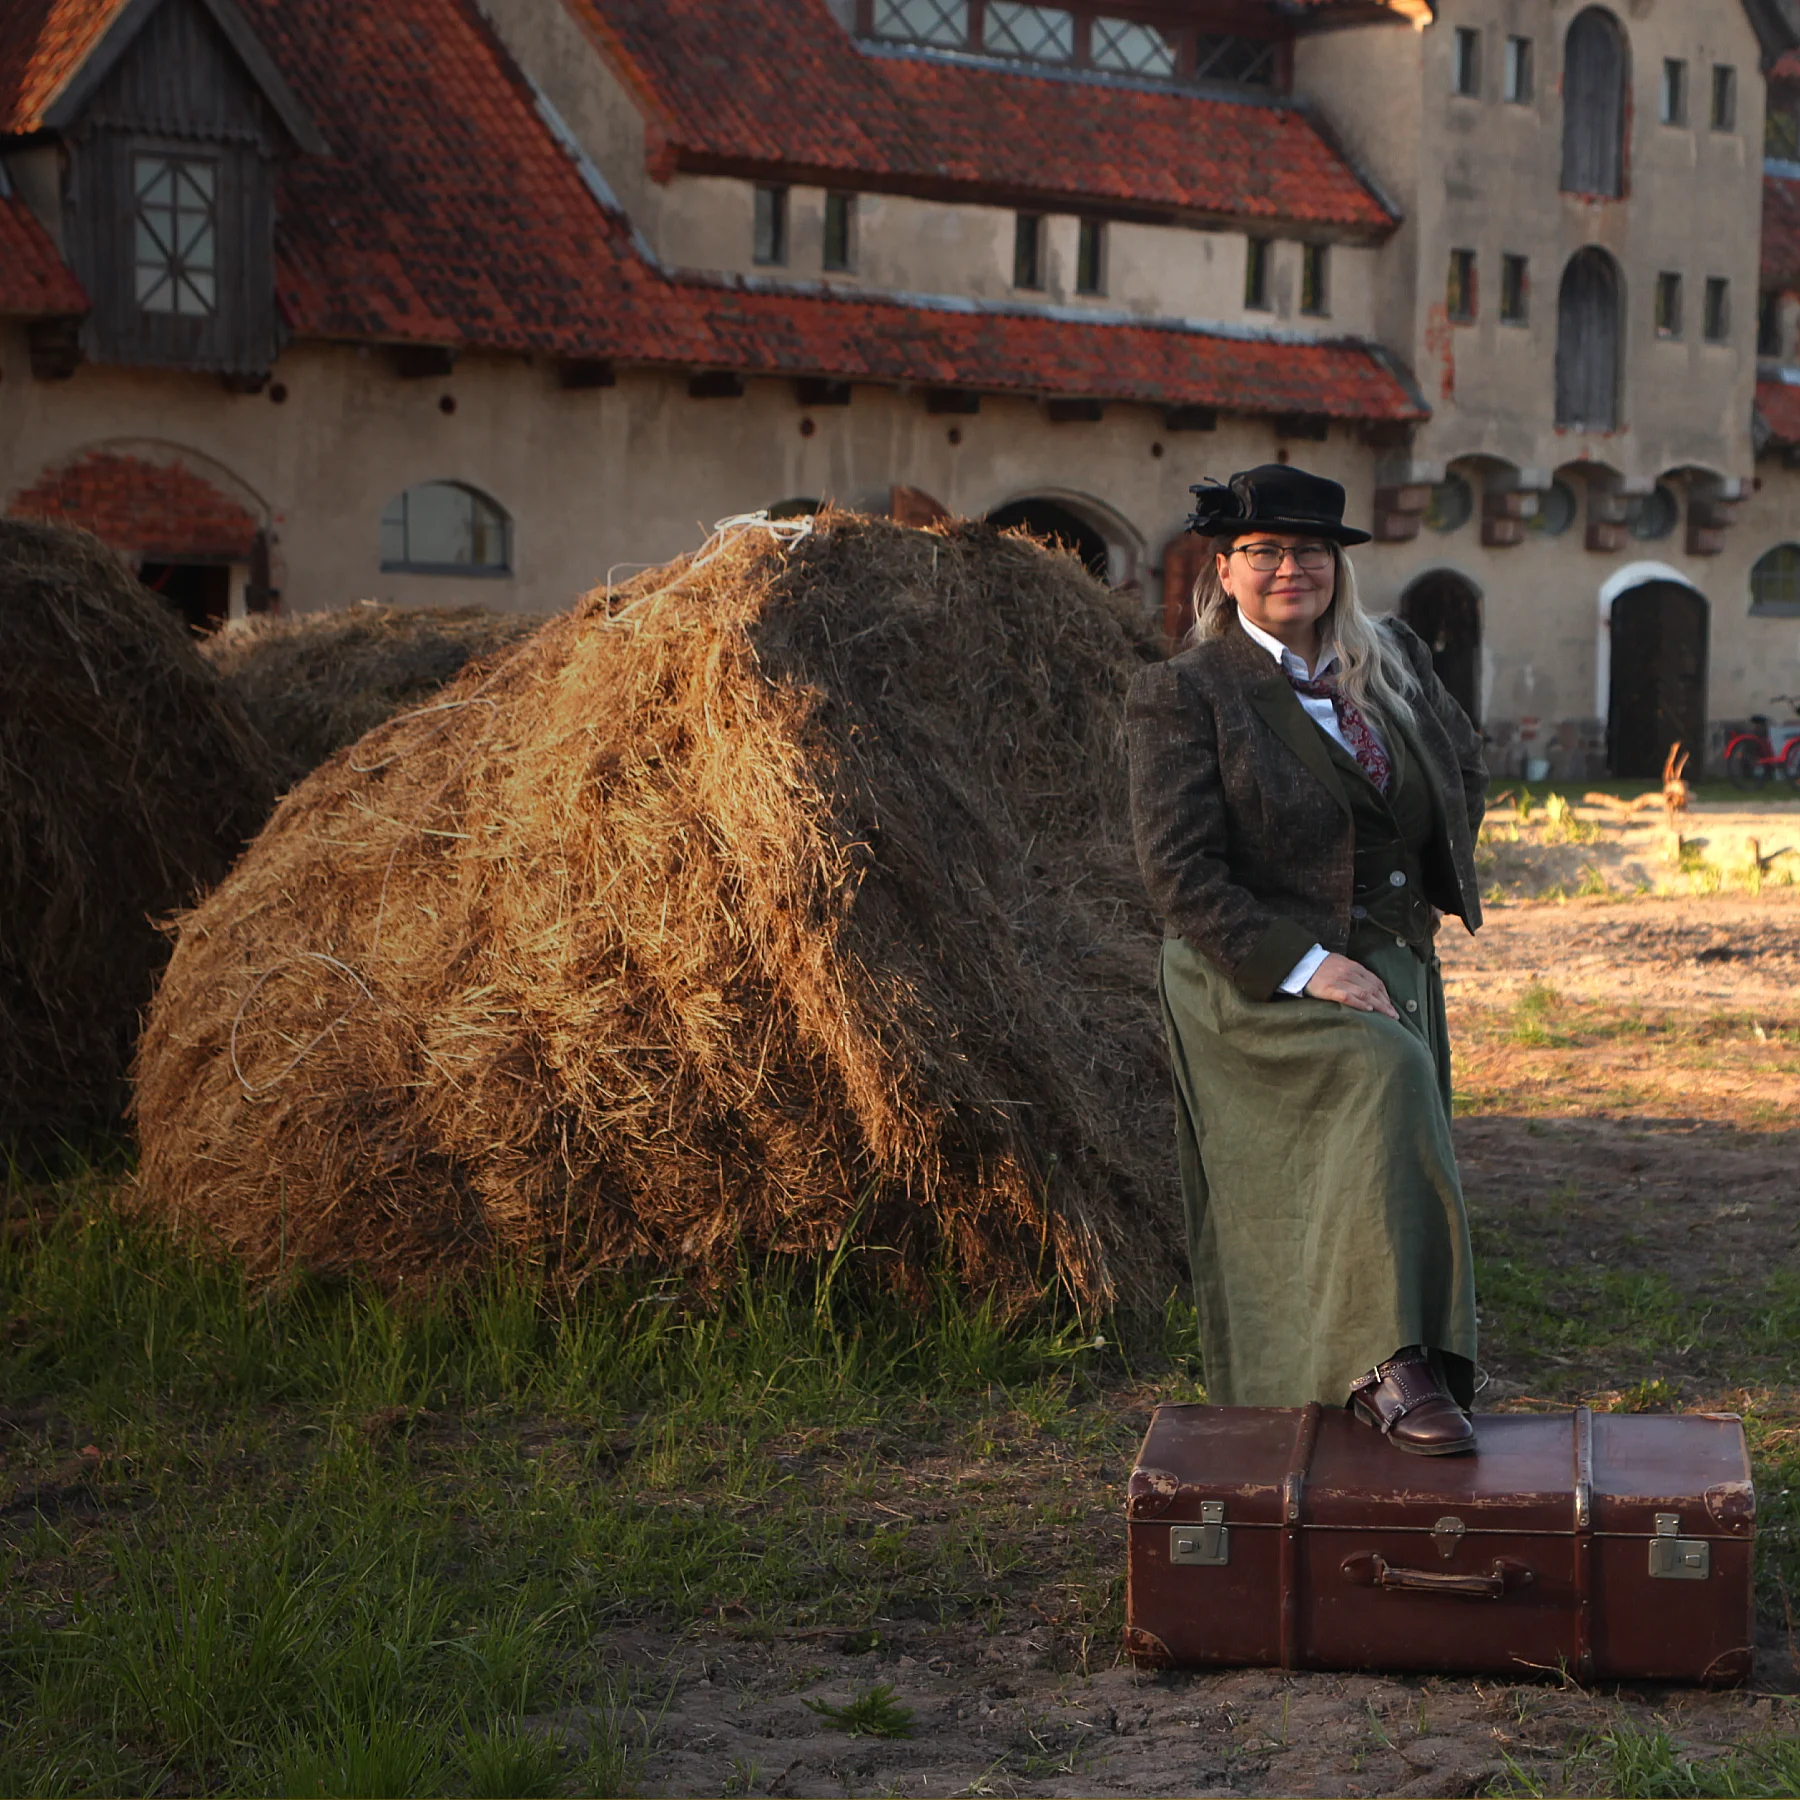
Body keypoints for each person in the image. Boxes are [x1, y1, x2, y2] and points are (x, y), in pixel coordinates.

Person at [1127, 464, 1488, 1455]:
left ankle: (1411, 1354)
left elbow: (1462, 764)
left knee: (1384, 1138)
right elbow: (1178, 873)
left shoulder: (1396, 659)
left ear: (1337, 564)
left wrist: (1425, 881)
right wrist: (1308, 964)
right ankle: (1382, 1368)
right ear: (1227, 569)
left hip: (1391, 956)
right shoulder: (1187, 693)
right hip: (1250, 972)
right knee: (1385, 1075)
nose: (1293, 568)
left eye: (1312, 550)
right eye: (1267, 552)